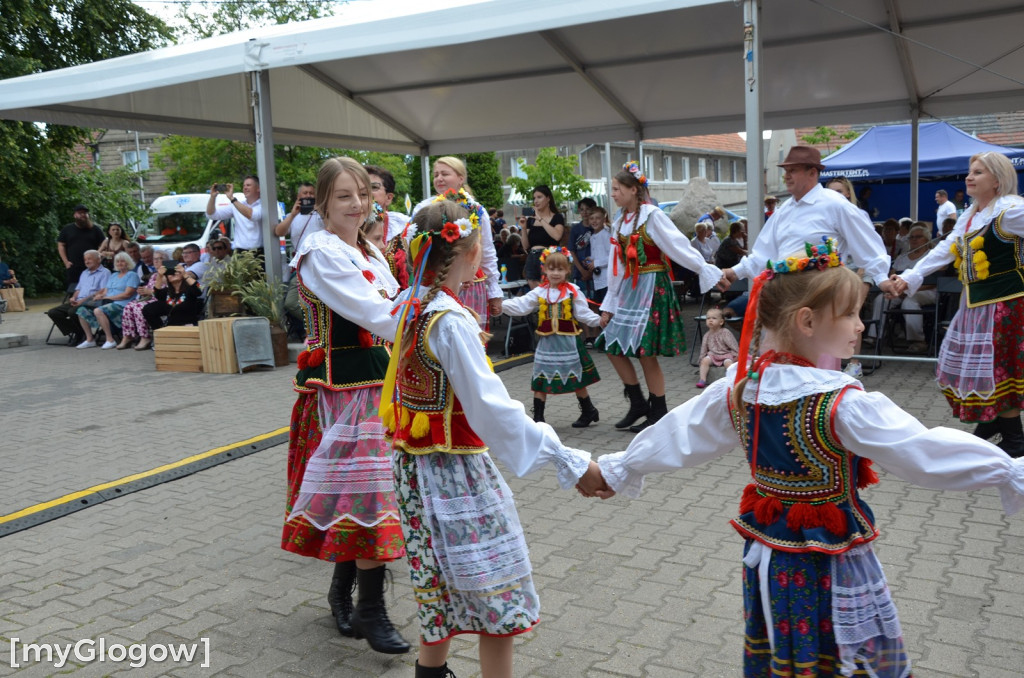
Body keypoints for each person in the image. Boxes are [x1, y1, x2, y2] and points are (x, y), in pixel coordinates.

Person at [585, 241, 1024, 678]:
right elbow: (923, 451)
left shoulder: (740, 387)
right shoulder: (840, 403)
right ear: (808, 321)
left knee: (785, 644)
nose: (859, 325)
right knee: (842, 653)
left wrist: (621, 466)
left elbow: (678, 436)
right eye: (850, 313)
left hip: (769, 554)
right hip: (829, 558)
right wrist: (1007, 469)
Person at [380, 197, 598, 678]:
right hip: (454, 474)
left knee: (436, 582)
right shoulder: (450, 321)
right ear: (472, 255)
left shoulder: (408, 305)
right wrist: (570, 460)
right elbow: (494, 411)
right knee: (493, 590)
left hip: (415, 473)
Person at [281, 157, 410, 655]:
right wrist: (437, 329)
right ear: (322, 201)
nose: (358, 204)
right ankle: (370, 609)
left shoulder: (369, 249)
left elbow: (396, 302)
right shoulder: (320, 251)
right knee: (368, 495)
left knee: (363, 496)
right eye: (344, 196)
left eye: (363, 192)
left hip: (376, 385)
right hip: (343, 393)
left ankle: (344, 594)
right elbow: (379, 314)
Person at [891, 151, 1024, 456]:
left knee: (999, 368)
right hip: (975, 304)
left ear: (998, 180)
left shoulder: (1011, 211)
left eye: (978, 172)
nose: (969, 177)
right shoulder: (972, 215)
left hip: (1006, 303)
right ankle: (994, 425)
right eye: (970, 171)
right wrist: (909, 277)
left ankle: (1015, 440)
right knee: (978, 368)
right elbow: (944, 251)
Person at [597, 161, 724, 432]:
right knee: (611, 346)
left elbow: (677, 246)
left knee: (645, 353)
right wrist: (609, 304)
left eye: (617, 188)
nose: (613, 194)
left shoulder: (652, 216)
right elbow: (617, 266)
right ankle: (638, 402)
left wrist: (705, 269)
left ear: (633, 190)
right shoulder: (620, 221)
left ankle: (658, 409)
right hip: (629, 291)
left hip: (653, 288)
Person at [722, 145, 896, 308]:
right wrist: (734, 272)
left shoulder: (835, 204)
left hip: (822, 297)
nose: (786, 176)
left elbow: (866, 243)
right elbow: (764, 254)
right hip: (787, 297)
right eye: (786, 171)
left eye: (793, 170)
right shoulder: (784, 211)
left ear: (812, 172)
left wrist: (881, 278)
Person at [501, 247, 602, 427]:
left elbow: (583, 314)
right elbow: (521, 305)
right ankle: (538, 418)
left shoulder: (573, 291)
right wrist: (499, 304)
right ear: (545, 270)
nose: (556, 273)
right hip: (547, 343)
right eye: (552, 269)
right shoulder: (540, 291)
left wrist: (599, 321)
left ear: (567, 271)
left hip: (568, 343)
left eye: (560, 269)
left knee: (575, 378)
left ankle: (589, 410)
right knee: (540, 378)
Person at [412, 157, 501, 329]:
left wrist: (494, 291)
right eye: (436, 174)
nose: (439, 178)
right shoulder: (424, 209)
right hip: (435, 282)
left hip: (470, 283)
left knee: (472, 334)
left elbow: (488, 252)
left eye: (445, 173)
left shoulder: (476, 210)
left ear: (461, 178)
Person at [826, 176, 870, 377]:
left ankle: (854, 363)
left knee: (852, 315)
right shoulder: (825, 218)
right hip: (835, 274)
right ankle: (832, 361)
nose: (833, 196)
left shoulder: (858, 214)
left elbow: (867, 249)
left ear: (847, 193)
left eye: (838, 191)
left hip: (857, 271)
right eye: (830, 192)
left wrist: (860, 277)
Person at [865, 225, 935, 353]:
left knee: (910, 301)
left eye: (918, 237)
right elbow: (892, 275)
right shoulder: (902, 257)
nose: (914, 239)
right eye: (911, 237)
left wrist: (908, 289)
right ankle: (875, 337)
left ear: (926, 239)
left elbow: (934, 282)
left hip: (926, 291)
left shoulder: (931, 255)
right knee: (882, 299)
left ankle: (918, 341)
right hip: (901, 291)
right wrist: (896, 289)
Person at [76, 252, 139, 349]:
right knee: (81, 310)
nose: (119, 263)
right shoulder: (113, 275)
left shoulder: (132, 275)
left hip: (122, 305)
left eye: (122, 261)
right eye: (117, 261)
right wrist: (100, 296)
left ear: (128, 262)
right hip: (106, 303)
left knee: (98, 310)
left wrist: (108, 298)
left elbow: (127, 294)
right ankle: (90, 339)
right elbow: (106, 291)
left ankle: (110, 340)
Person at [46, 250, 110, 342]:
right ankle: (78, 332)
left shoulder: (105, 272)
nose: (87, 261)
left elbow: (103, 290)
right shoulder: (84, 273)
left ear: (98, 259)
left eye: (89, 259)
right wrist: (73, 298)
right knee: (53, 312)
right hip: (79, 301)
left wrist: (83, 300)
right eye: (85, 260)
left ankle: (80, 336)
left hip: (93, 301)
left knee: (73, 312)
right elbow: (78, 289)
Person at [519, 185, 566, 289]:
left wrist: (540, 219)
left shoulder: (557, 217)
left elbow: (557, 236)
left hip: (549, 258)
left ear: (548, 198)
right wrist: (523, 228)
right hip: (532, 257)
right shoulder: (531, 220)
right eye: (534, 198)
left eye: (539, 197)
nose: (536, 201)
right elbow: (526, 246)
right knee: (535, 293)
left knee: (550, 290)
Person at [117, 250, 166, 350]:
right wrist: (142, 291)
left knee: (138, 307)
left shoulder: (167, 275)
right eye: (155, 259)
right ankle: (128, 335)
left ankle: (145, 337)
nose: (156, 261)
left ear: (166, 260)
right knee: (129, 306)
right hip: (149, 298)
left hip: (161, 300)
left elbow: (165, 293)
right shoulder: (154, 275)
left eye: (159, 259)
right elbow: (148, 290)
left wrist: (149, 291)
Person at [207, 176, 263, 256]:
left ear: (258, 188)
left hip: (258, 253)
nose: (245, 188)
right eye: (244, 186)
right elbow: (211, 215)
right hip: (239, 252)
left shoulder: (263, 205)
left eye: (248, 185)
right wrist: (212, 197)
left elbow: (252, 215)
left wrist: (232, 198)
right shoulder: (236, 205)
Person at [141, 262, 203, 334]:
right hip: (171, 328)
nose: (174, 274)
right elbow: (156, 293)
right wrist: (160, 276)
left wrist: (185, 274)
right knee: (148, 309)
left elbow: (199, 290)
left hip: (188, 327)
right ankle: (160, 334)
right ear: (167, 278)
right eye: (171, 273)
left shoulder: (189, 290)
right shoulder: (167, 292)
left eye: (177, 272)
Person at [57, 204, 105, 288]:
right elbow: (61, 245)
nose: (83, 215)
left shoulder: (95, 229)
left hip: (92, 266)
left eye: (85, 213)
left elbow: (104, 243)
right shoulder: (67, 229)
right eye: (80, 213)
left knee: (91, 288)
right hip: (73, 265)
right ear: (75, 215)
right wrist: (65, 262)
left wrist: (98, 254)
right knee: (74, 290)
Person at [696, 306, 738, 388]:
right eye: (708, 318)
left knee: (728, 363)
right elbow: (704, 349)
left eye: (714, 318)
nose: (710, 320)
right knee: (705, 361)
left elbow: (733, 344)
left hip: (725, 354)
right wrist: (701, 358)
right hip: (713, 355)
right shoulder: (707, 335)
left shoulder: (725, 332)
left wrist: (736, 354)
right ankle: (702, 379)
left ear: (721, 322)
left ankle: (733, 379)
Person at [568, 197, 597, 297]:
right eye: (582, 209)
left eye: (588, 209)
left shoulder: (596, 228)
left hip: (596, 270)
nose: (585, 212)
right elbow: (572, 250)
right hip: (579, 271)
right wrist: (582, 271)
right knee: (580, 299)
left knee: (596, 300)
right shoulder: (575, 229)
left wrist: (590, 271)